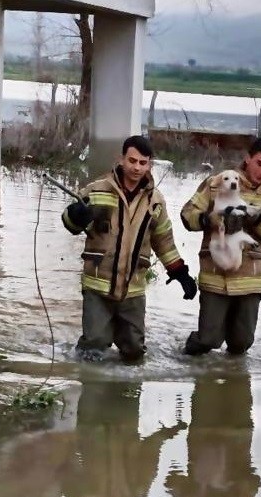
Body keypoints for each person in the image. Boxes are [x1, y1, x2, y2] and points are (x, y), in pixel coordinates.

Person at [62, 135, 197, 362]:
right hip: (98, 286)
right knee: (92, 348)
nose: (136, 167)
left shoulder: (156, 202)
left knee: (134, 351)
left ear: (149, 165)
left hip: (133, 289)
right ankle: (90, 387)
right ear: (121, 159)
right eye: (132, 161)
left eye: (142, 163)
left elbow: (164, 241)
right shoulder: (97, 190)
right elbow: (69, 223)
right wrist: (76, 215)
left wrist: (180, 273)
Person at [180, 137, 261, 356]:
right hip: (215, 275)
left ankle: (230, 377)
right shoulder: (216, 181)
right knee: (209, 340)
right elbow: (187, 214)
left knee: (241, 344)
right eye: (260, 164)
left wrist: (254, 218)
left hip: (250, 278)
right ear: (248, 158)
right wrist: (209, 219)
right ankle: (188, 360)